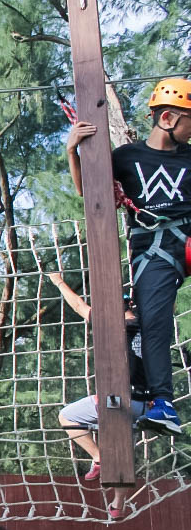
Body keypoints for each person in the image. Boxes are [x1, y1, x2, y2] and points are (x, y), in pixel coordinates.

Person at [66, 78, 191, 437]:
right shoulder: (127, 158)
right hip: (152, 247)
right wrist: (73, 152)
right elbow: (86, 191)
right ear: (167, 117)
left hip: (187, 237)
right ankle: (163, 403)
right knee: (154, 322)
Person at [49, 272, 149, 519]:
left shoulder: (112, 324)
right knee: (123, 449)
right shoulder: (148, 328)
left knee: (67, 416)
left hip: (114, 399)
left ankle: (98, 456)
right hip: (143, 404)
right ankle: (117, 505)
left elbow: (78, 305)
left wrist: (59, 281)